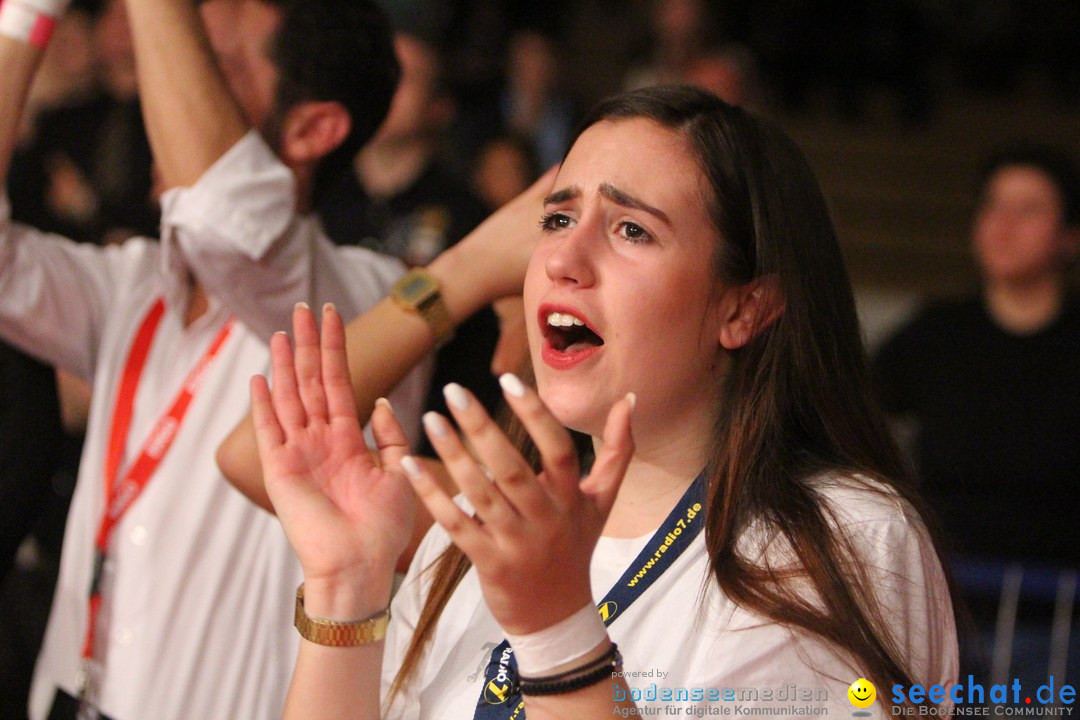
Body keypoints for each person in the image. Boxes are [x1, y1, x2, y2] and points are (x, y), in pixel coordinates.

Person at [247, 85, 959, 718]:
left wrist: (559, 630)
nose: (562, 259)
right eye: (557, 219)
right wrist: (348, 585)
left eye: (631, 230)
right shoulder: (477, 528)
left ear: (743, 308)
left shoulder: (845, 539)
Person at [0, 0, 434, 718]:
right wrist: (26, 20)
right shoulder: (135, 283)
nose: (160, 85)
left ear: (311, 129)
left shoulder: (357, 299)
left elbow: (222, 214)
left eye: (215, 66)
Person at [874, 143, 1080, 683]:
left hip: (1057, 623)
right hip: (940, 610)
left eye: (1028, 209)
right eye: (993, 205)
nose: (1003, 224)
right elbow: (851, 410)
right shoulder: (936, 335)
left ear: (1070, 235)